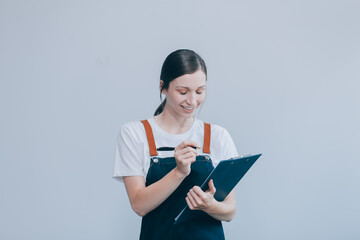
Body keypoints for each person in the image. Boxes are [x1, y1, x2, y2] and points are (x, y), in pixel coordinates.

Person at [113, 49, 238, 239]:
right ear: (163, 87)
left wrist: (209, 205)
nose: (192, 100)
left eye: (199, 91)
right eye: (183, 91)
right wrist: (179, 172)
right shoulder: (135, 134)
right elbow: (139, 205)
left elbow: (230, 211)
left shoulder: (218, 136)